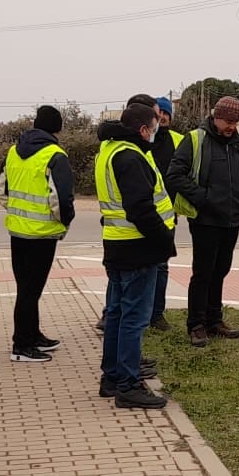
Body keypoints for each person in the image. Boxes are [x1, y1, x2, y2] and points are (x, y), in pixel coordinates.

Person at [96, 100, 177, 408]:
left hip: (117, 244)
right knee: (134, 319)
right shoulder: (130, 157)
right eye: (155, 126)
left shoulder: (109, 151)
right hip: (138, 248)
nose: (157, 131)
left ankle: (113, 377)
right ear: (144, 129)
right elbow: (141, 208)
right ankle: (128, 385)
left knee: (117, 314)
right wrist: (164, 242)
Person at [166, 94, 239, 346]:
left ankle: (215, 320)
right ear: (216, 117)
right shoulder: (195, 140)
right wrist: (203, 198)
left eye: (235, 122)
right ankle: (196, 324)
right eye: (227, 121)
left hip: (232, 219)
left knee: (221, 271)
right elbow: (175, 175)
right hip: (205, 220)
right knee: (203, 273)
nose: (231, 127)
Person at [0, 104, 74, 363]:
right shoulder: (55, 155)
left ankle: (33, 333)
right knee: (31, 290)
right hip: (42, 235)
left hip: (17, 231)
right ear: (57, 128)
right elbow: (62, 199)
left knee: (27, 287)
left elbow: (2, 190)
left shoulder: (12, 152)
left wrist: (17, 212)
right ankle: (21, 345)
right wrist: (64, 223)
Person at [146, 95, 179, 333]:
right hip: (141, 214)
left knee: (161, 266)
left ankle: (157, 314)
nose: (162, 117)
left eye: (165, 114)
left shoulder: (178, 141)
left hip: (167, 215)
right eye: (158, 114)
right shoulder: (142, 140)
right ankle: (113, 313)